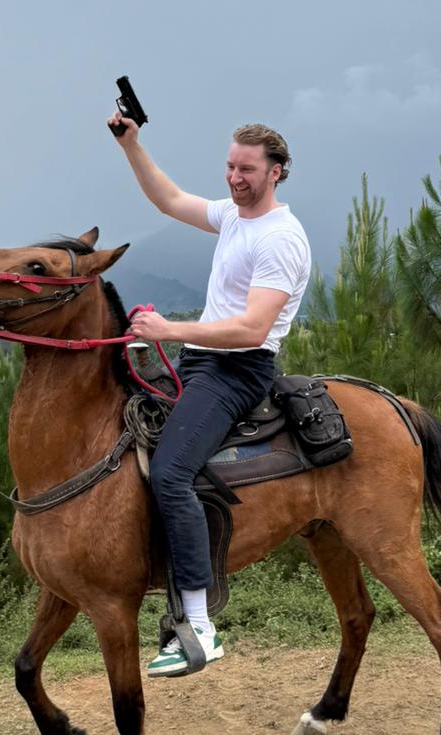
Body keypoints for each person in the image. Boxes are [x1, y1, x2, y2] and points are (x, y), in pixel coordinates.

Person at [108, 112, 311, 677]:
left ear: (275, 172)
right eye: (229, 166)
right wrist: (131, 145)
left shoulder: (280, 239)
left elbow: (252, 329)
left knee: (171, 472)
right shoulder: (234, 217)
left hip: (238, 370)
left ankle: (198, 627)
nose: (234, 178)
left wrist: (169, 329)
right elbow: (170, 200)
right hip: (201, 362)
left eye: (247, 169)